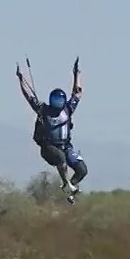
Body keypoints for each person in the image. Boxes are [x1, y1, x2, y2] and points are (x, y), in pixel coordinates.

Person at [17, 57, 87, 204]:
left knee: (82, 170)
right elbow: (28, 96)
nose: (57, 103)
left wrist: (77, 74)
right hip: (49, 147)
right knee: (61, 159)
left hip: (66, 146)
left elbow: (78, 93)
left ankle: (70, 188)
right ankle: (66, 183)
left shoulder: (68, 109)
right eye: (54, 100)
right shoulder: (43, 110)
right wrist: (21, 79)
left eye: (59, 101)